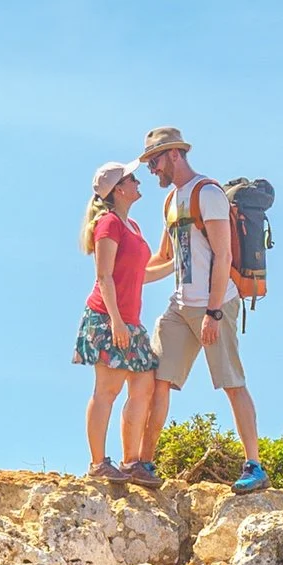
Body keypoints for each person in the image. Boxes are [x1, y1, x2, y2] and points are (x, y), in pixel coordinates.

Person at [137, 126, 268, 492]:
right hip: (179, 307)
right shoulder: (170, 201)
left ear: (175, 154)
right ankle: (144, 465)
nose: (152, 169)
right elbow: (166, 258)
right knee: (158, 381)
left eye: (155, 161)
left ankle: (254, 465)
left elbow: (223, 254)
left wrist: (213, 312)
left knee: (232, 383)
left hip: (216, 303)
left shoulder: (207, 194)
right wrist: (123, 279)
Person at [74, 161, 162, 478]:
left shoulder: (132, 227)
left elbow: (140, 274)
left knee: (143, 387)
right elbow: (104, 275)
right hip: (108, 318)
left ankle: (131, 462)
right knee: (107, 390)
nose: (139, 182)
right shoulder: (109, 224)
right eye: (132, 178)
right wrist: (115, 322)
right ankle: (98, 464)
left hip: (128, 321)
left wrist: (180, 265)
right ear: (119, 189)